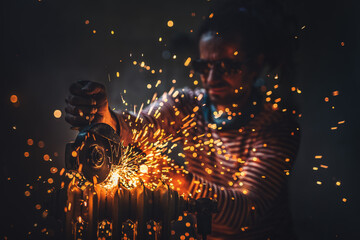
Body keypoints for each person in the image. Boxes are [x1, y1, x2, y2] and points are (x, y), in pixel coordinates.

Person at [65, 0, 300, 239]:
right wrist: (108, 119)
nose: (211, 78)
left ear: (255, 64)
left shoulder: (276, 127)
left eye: (227, 66)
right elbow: (144, 125)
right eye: (204, 65)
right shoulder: (189, 105)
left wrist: (174, 177)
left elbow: (243, 213)